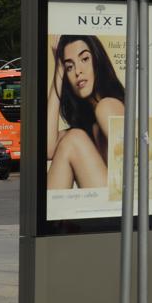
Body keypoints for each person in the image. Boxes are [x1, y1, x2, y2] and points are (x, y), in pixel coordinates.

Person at [46, 34, 126, 190]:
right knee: (73, 137)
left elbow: (135, 170)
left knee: (74, 138)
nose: (77, 72)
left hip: (126, 202)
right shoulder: (83, 126)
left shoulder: (109, 106)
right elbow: (49, 149)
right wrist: (59, 70)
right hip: (108, 203)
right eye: (69, 67)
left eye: (85, 59)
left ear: (97, 61)